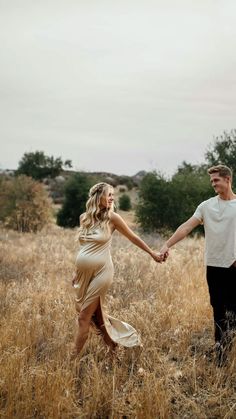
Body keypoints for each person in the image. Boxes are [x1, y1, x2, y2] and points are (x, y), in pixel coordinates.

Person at [71, 182, 163, 357]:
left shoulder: (112, 218)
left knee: (83, 317)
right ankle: (113, 348)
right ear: (98, 197)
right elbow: (83, 246)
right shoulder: (84, 218)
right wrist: (76, 271)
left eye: (113, 195)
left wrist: (152, 253)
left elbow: (133, 237)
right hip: (83, 274)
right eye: (109, 194)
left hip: (102, 272)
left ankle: (71, 359)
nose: (112, 198)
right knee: (96, 317)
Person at [160, 165, 236, 363]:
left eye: (216, 180)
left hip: (234, 266)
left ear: (227, 179)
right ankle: (221, 355)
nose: (213, 184)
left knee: (234, 311)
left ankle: (230, 344)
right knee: (218, 309)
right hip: (214, 266)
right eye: (211, 181)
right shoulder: (206, 206)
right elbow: (186, 227)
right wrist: (167, 245)